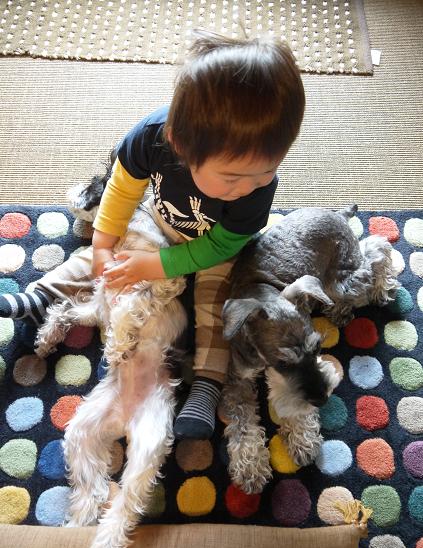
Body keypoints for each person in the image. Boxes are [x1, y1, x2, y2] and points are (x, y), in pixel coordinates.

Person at [0, 30, 305, 440]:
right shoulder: (151, 137)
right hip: (158, 219)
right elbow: (122, 191)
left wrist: (158, 265)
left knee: (216, 304)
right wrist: (102, 245)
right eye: (232, 178)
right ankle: (41, 295)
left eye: (267, 171)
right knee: (98, 259)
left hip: (215, 249)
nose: (248, 187)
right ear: (180, 145)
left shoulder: (255, 191)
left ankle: (206, 385)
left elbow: (223, 244)